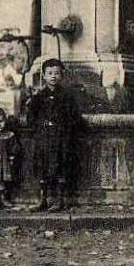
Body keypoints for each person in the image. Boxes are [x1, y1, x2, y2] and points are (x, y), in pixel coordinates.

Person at [25, 58, 85, 212]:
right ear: (43, 76)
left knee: (61, 166)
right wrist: (40, 126)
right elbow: (31, 117)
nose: (53, 76)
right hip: (44, 137)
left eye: (57, 73)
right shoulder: (38, 97)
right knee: (43, 167)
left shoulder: (67, 96)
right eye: (49, 73)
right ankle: (43, 199)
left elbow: (75, 117)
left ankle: (59, 200)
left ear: (62, 75)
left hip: (61, 138)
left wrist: (65, 128)